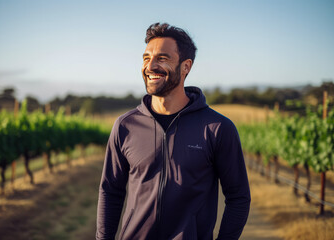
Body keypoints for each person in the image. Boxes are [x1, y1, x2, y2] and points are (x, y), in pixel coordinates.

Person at [96, 22, 251, 240]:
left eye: (162, 58)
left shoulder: (218, 128)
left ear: (186, 66)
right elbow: (110, 192)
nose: (150, 67)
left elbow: (238, 197)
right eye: (146, 58)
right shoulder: (125, 126)